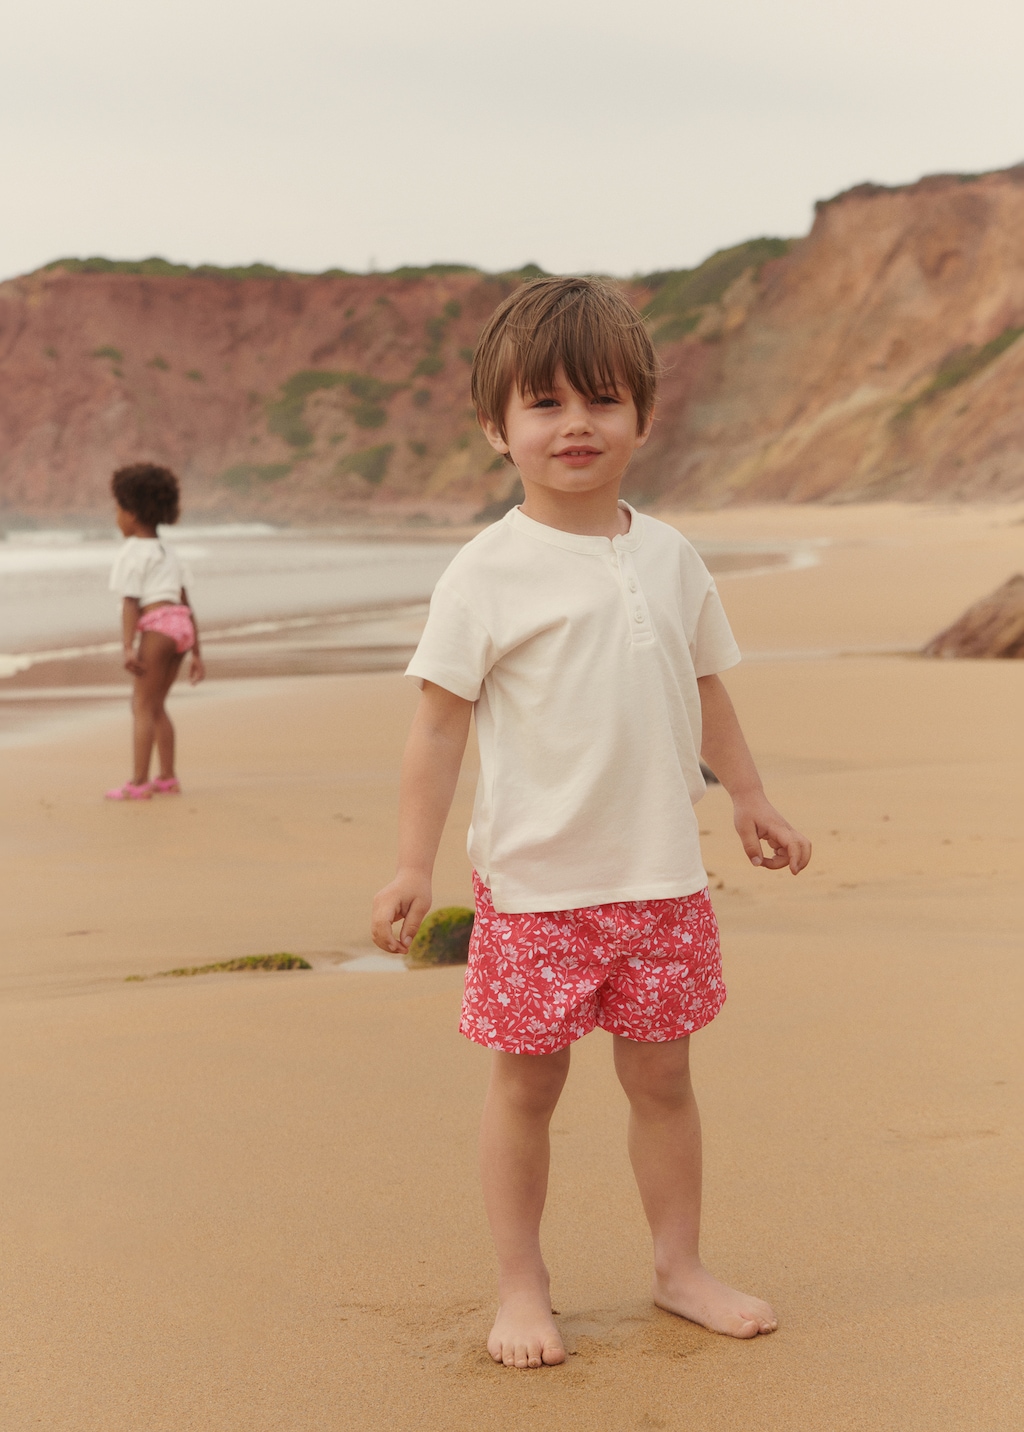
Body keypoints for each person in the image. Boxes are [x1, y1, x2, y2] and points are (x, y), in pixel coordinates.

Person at [371, 277, 811, 1370]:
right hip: (536, 887)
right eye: (546, 404)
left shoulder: (669, 555)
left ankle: (679, 1266)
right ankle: (522, 1287)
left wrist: (749, 796)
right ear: (497, 427)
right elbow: (436, 731)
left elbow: (706, 688)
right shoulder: (485, 571)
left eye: (602, 401)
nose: (576, 425)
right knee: (528, 1083)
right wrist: (410, 864)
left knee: (664, 1080)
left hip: (662, 877)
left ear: (643, 417)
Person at [105, 463, 205, 800]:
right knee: (158, 704)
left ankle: (138, 782)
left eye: (118, 510)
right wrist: (197, 652)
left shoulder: (131, 553)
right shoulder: (168, 552)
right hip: (181, 626)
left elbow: (131, 603)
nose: (116, 517)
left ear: (132, 513)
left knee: (142, 706)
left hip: (158, 627)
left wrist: (128, 646)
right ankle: (167, 777)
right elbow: (186, 602)